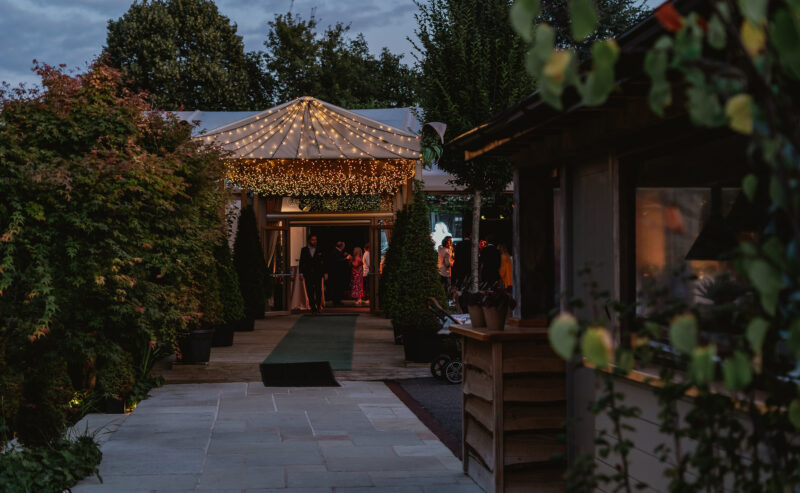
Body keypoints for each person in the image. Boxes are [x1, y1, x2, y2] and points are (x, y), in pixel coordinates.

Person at [299, 235, 325, 313]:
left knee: (318, 290)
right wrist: (301, 273)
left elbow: (323, 262)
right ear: (309, 241)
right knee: (310, 290)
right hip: (308, 273)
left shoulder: (320, 249)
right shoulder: (304, 250)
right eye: (313, 240)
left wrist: (324, 273)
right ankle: (313, 307)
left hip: (317, 273)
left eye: (315, 240)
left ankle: (318, 306)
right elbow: (302, 261)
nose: (314, 241)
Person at [326, 241, 350, 306]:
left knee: (338, 287)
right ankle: (336, 301)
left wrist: (344, 255)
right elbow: (337, 261)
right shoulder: (335, 252)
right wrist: (346, 258)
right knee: (337, 287)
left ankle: (337, 300)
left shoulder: (337, 251)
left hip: (337, 273)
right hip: (336, 273)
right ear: (341, 246)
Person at [437, 236, 454, 302]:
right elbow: (447, 264)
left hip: (439, 270)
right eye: (450, 241)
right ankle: (446, 301)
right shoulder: (447, 252)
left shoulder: (440, 248)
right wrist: (453, 262)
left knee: (441, 287)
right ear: (447, 242)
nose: (451, 242)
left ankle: (441, 300)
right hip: (446, 272)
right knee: (447, 288)